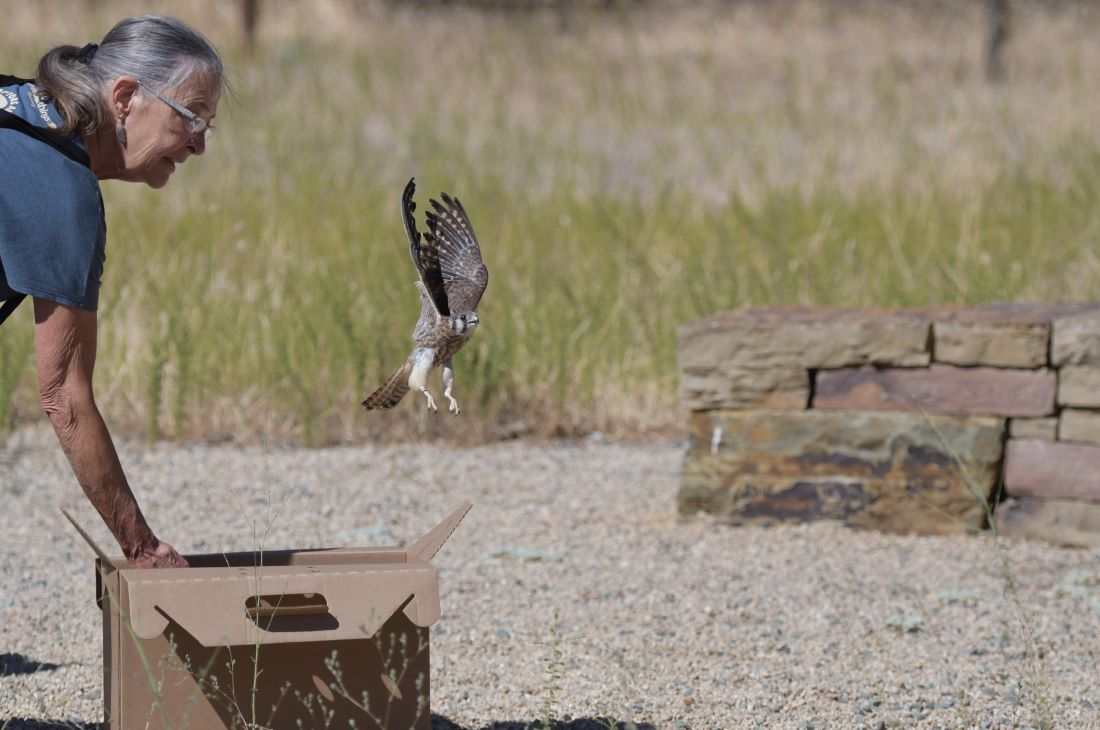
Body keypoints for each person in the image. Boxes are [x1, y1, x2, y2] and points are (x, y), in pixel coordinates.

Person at [0, 16, 224, 568]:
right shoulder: (60, 187)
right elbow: (64, 398)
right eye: (191, 117)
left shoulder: (21, 111)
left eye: (207, 127)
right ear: (124, 98)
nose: (198, 145)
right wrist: (142, 548)